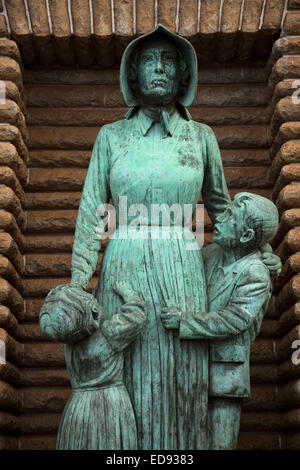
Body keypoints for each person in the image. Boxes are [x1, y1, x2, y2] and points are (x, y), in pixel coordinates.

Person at [55, 25, 280, 450]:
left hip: (182, 269)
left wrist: (262, 249)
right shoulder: (111, 137)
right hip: (123, 267)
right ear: (134, 75)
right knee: (127, 375)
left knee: (181, 382)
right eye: (149, 61)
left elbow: (222, 208)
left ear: (182, 77)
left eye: (169, 61)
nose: (159, 68)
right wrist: (77, 288)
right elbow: (90, 217)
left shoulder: (201, 137)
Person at [161, 192, 278, 449]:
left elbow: (235, 320)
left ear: (246, 236)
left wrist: (184, 321)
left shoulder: (256, 273)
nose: (219, 218)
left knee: (219, 444)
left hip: (226, 376)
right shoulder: (212, 253)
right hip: (193, 369)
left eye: (231, 216)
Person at [40, 280, 147, 450]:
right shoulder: (108, 334)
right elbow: (137, 316)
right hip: (110, 404)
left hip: (78, 408)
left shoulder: (68, 344)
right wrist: (128, 293)